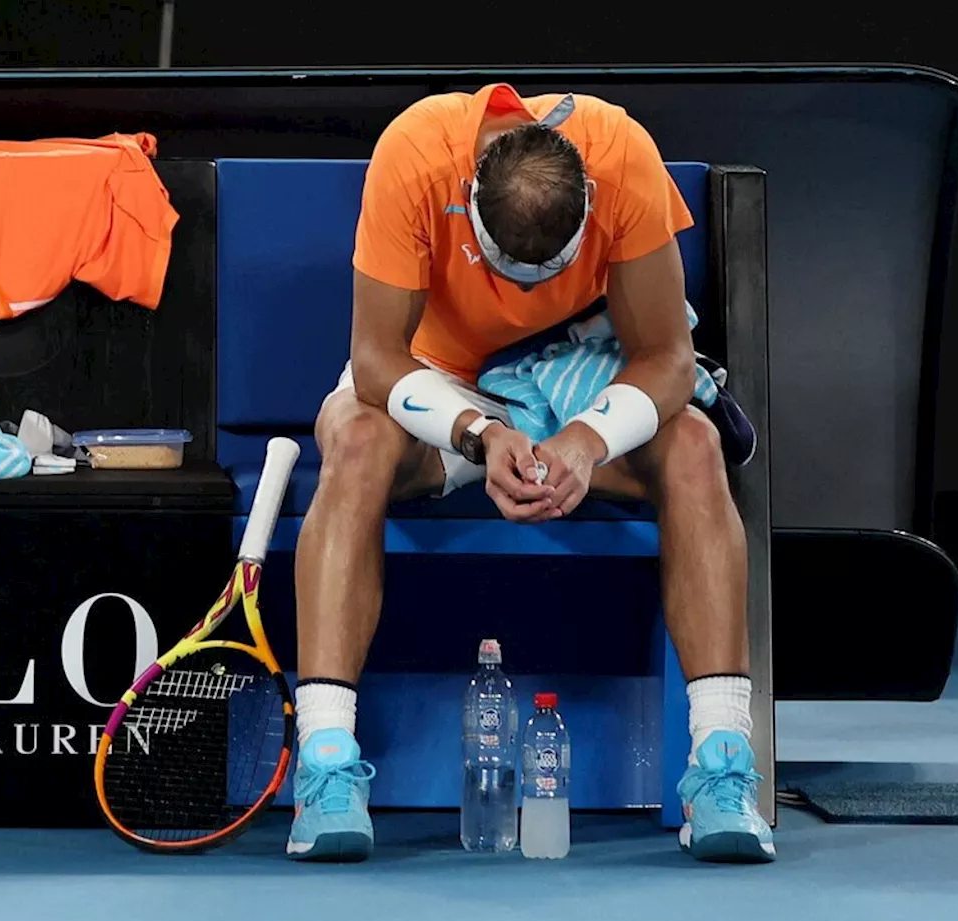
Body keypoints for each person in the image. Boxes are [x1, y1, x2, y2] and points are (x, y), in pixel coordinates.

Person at [285, 83, 775, 865]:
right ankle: (328, 763)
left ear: (589, 200)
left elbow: (667, 359)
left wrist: (584, 441)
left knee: (693, 447)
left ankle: (721, 769)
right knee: (353, 441)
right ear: (470, 194)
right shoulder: (417, 151)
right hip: (441, 388)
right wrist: (480, 432)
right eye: (507, 269)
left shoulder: (622, 156)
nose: (522, 291)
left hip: (575, 379)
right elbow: (379, 359)